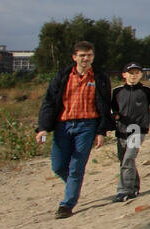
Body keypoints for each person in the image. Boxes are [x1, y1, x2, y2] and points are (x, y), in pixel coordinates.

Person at [35, 40, 113, 219]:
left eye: (89, 55)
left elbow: (104, 105)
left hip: (87, 126)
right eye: (82, 55)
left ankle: (67, 204)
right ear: (74, 57)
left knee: (77, 167)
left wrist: (101, 132)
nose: (86, 59)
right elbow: (49, 101)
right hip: (63, 125)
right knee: (58, 165)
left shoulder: (99, 78)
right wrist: (43, 128)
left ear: (93, 56)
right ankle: (73, 185)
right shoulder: (63, 76)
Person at [110, 62, 150, 202]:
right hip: (121, 130)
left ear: (141, 74)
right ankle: (134, 186)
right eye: (131, 73)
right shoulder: (117, 91)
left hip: (138, 129)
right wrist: (114, 118)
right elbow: (111, 109)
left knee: (129, 158)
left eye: (137, 73)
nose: (134, 76)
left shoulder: (147, 91)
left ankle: (124, 191)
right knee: (124, 160)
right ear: (124, 75)